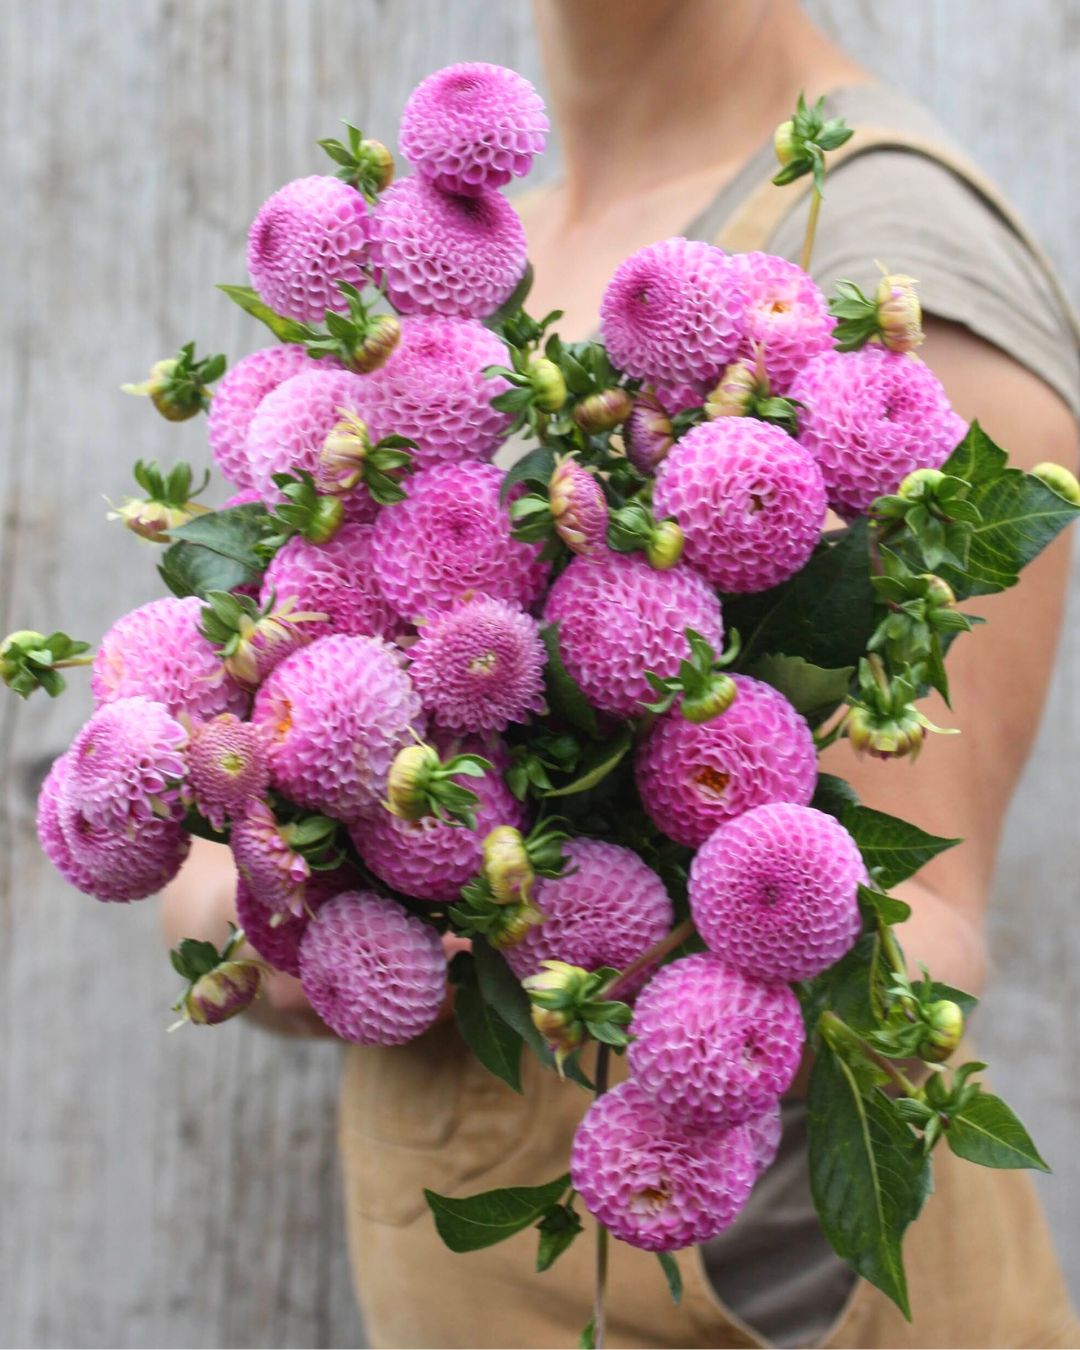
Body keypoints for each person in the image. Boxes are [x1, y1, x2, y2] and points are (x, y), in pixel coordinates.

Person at [163, 1, 1080, 1344]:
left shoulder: (890, 254)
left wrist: (366, 875)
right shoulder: (474, 257)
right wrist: (229, 824)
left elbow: (908, 930)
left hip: (745, 1300)